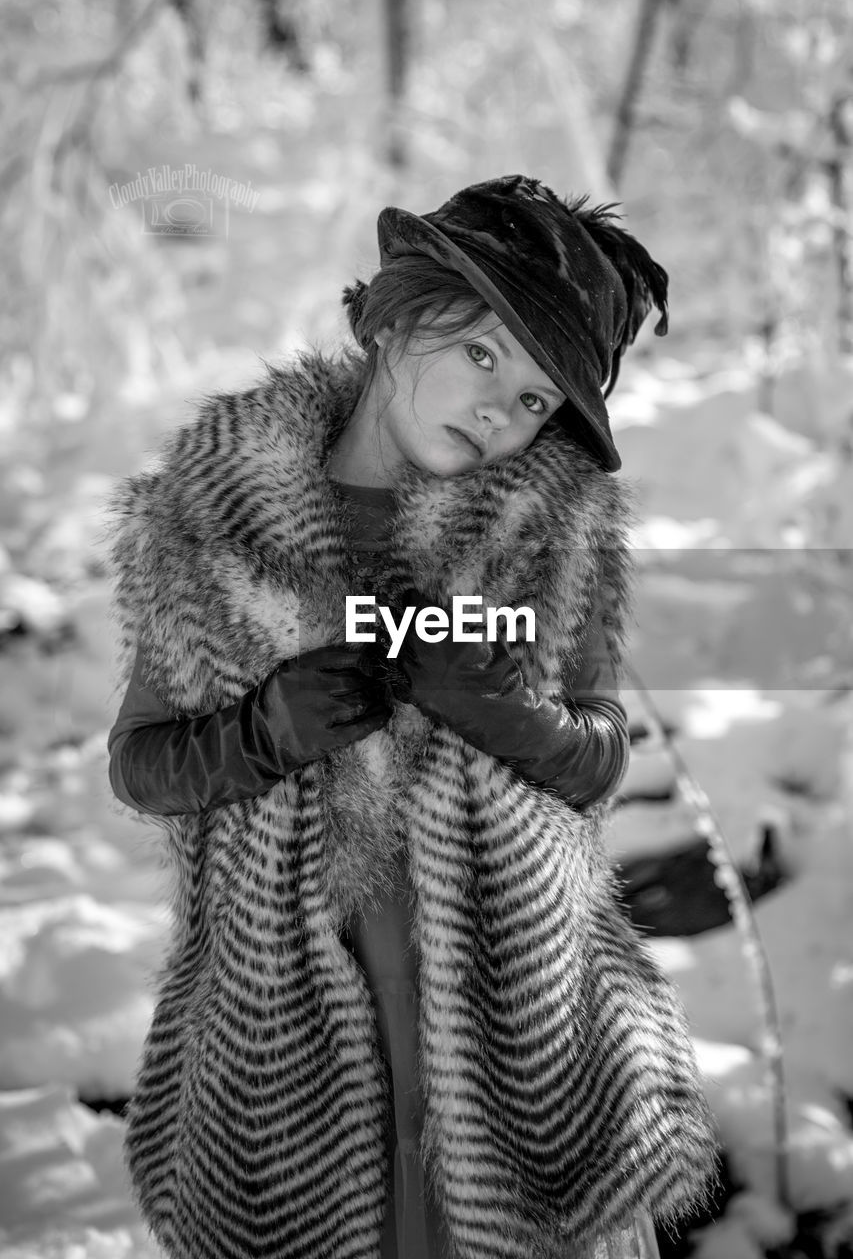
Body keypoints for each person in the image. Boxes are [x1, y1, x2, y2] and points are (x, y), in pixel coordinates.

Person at [108, 174, 717, 1259]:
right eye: (483, 353)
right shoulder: (210, 513)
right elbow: (141, 763)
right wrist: (260, 734)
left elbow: (599, 755)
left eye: (534, 396)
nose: (500, 408)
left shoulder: (550, 525)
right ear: (394, 316)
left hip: (518, 1027)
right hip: (283, 1030)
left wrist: (508, 716)